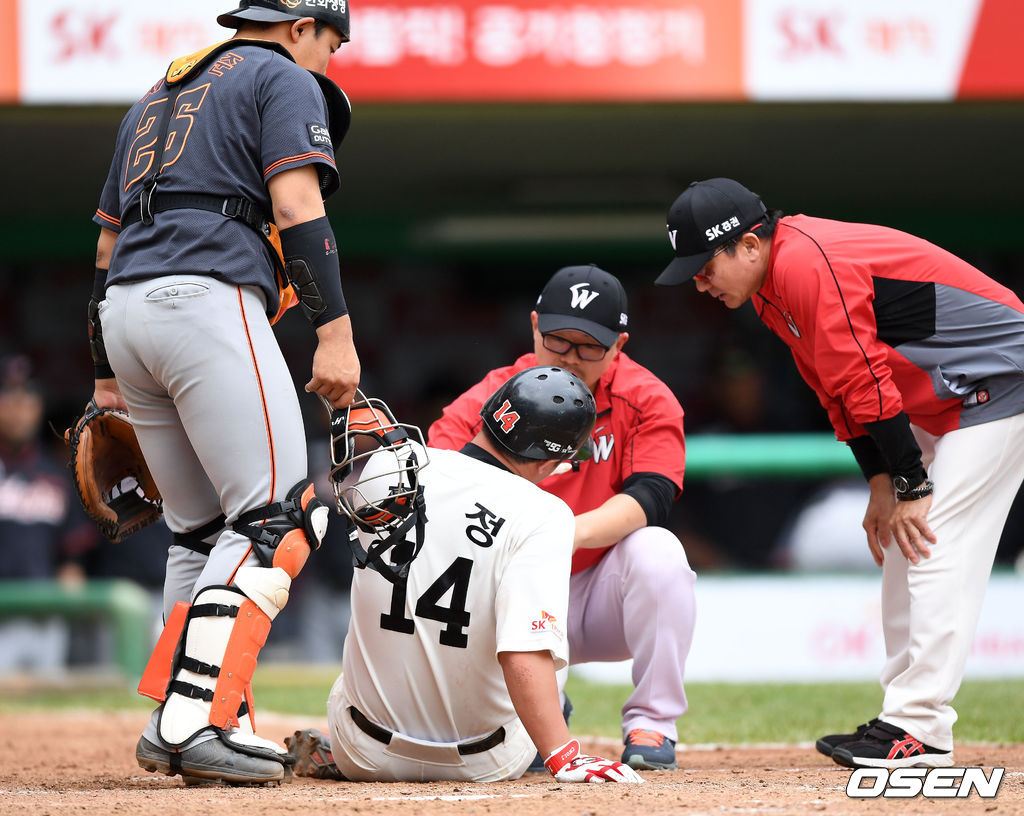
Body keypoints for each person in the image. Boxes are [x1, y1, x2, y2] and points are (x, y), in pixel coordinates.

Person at [656, 177, 1024, 769]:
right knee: (907, 547)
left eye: (705, 265)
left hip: (1004, 380)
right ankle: (902, 719)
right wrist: (882, 482)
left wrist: (909, 482)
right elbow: (834, 389)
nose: (699, 280)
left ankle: (921, 730)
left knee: (933, 543)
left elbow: (864, 379)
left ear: (750, 245)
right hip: (952, 401)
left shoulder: (804, 262)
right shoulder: (769, 288)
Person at [87, 0, 359, 786]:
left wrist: (106, 370)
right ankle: (190, 718)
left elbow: (106, 245)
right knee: (280, 512)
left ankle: (206, 715)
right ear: (301, 25)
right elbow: (297, 205)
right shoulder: (281, 73)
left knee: (201, 533)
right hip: (202, 297)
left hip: (127, 313)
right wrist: (333, 331)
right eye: (332, 42)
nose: (329, 58)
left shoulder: (154, 97)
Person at [289, 370, 644, 784]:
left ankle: (339, 746)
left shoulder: (390, 464)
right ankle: (545, 741)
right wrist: (565, 757)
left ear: (486, 418)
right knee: (542, 640)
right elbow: (523, 652)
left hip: (362, 752)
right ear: (551, 462)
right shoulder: (546, 514)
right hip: (486, 763)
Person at [427, 265, 695, 771]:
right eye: (558, 341)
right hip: (502, 594)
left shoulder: (645, 397)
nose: (571, 358)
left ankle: (652, 723)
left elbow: (653, 494)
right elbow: (437, 474)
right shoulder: (498, 393)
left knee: (660, 552)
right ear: (534, 328)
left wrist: (554, 537)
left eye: (589, 346)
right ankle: (523, 714)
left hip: (593, 591)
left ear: (619, 344)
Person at [0, 355, 99, 674]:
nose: (19, 408)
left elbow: (73, 550)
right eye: (9, 398)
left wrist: (71, 575)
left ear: (39, 406)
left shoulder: (56, 473)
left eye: (27, 398)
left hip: (45, 612)